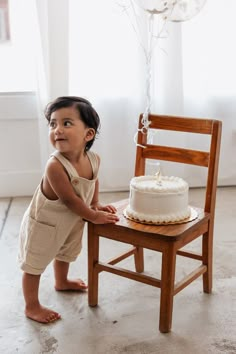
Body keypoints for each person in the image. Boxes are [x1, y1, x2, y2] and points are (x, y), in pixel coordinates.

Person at [18, 96, 119, 324]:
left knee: (66, 252)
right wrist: (93, 215)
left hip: (73, 220)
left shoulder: (93, 159)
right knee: (34, 264)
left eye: (66, 123)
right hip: (45, 223)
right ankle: (31, 306)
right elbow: (70, 200)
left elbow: (93, 181)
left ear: (88, 134)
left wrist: (95, 203)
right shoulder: (55, 166)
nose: (57, 130)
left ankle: (61, 281)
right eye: (53, 124)